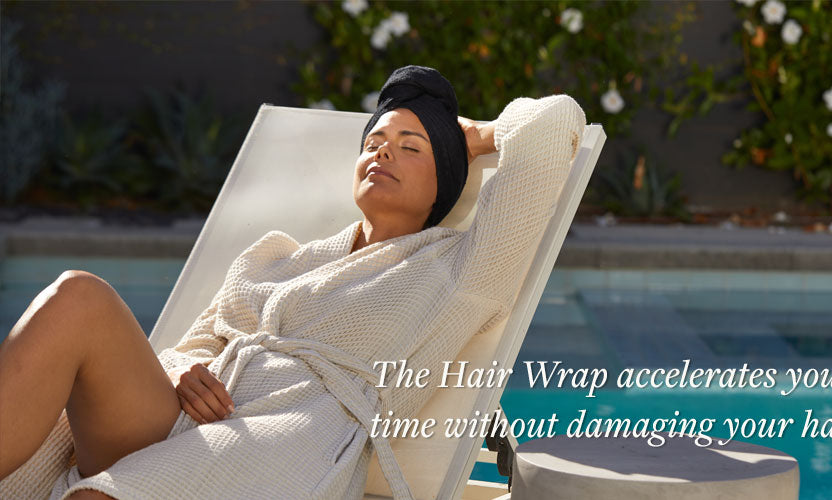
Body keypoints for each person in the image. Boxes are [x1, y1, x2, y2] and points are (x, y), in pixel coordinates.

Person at [0, 65, 585, 500]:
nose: (383, 154)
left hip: (283, 444)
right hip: (184, 416)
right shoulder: (275, 257)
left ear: (446, 180)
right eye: (374, 143)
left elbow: (556, 121)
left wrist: (475, 137)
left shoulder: (461, 269)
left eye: (412, 147)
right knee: (78, 296)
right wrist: (183, 373)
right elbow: (192, 346)